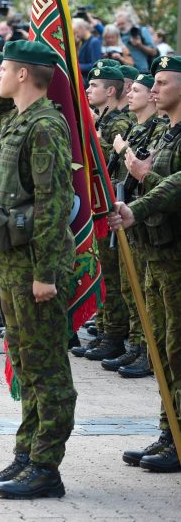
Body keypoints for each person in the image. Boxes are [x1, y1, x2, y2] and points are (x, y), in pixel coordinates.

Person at [0, 40, 77, 498]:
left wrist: (46, 274)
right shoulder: (14, 119)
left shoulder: (46, 126)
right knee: (25, 363)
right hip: (10, 263)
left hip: (36, 265)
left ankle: (46, 467)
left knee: (47, 369)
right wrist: (2, 84)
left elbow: (54, 204)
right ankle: (27, 454)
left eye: (4, 70)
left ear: (26, 75)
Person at [107, 53, 181, 474]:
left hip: (176, 257)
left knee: (177, 350)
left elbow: (173, 185)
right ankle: (169, 431)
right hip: (156, 253)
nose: (154, 89)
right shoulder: (166, 134)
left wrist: (142, 177)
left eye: (163, 83)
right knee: (163, 350)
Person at [105, 71, 165, 378]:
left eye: (137, 90)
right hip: (131, 211)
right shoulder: (142, 129)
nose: (130, 94)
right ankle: (137, 347)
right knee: (129, 287)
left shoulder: (160, 130)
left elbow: (147, 171)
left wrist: (122, 150)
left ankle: (145, 351)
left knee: (143, 291)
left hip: (147, 218)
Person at [81, 65, 133, 361]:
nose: (88, 91)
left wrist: (94, 133)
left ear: (110, 91)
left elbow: (114, 162)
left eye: (94, 86)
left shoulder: (118, 123)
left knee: (113, 275)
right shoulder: (104, 118)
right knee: (103, 271)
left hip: (114, 203)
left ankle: (114, 334)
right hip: (100, 203)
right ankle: (104, 330)